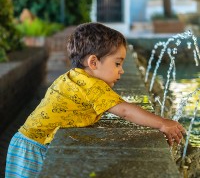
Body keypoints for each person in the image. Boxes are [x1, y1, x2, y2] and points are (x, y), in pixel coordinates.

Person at [5, 22, 185, 177]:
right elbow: (124, 110)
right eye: (117, 63)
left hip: (24, 142)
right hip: (34, 149)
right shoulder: (91, 85)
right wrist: (162, 123)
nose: (121, 70)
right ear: (93, 62)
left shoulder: (74, 77)